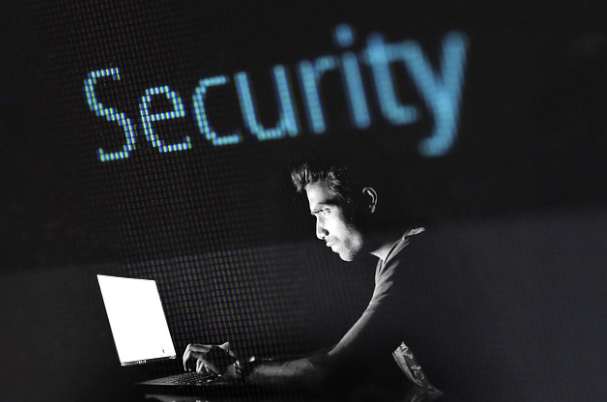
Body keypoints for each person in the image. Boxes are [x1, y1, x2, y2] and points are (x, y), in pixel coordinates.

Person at [182, 158, 445, 397]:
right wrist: (250, 362)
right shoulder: (393, 260)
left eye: (324, 212)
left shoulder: (413, 262)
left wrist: (236, 370)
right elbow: (341, 357)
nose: (319, 232)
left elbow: (330, 371)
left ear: (368, 200)